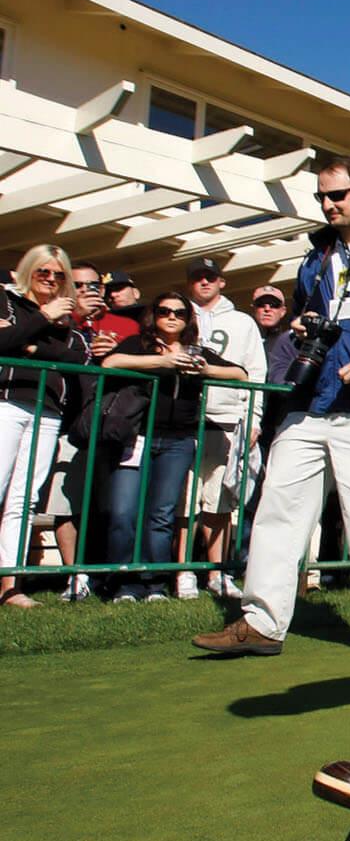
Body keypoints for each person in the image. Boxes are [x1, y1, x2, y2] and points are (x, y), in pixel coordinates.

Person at [192, 154, 350, 657]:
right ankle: (260, 621)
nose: (328, 204)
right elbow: (308, 314)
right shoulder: (314, 257)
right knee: (277, 511)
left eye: (337, 195)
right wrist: (303, 324)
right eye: (321, 197)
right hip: (311, 406)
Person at [102, 292, 246, 601]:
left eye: (179, 313)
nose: (171, 317)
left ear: (187, 319)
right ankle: (122, 583)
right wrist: (162, 361)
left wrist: (204, 369)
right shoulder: (138, 344)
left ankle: (154, 585)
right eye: (164, 311)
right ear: (153, 315)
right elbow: (110, 361)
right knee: (123, 511)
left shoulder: (198, 351)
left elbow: (239, 373)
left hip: (178, 441)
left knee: (162, 514)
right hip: (137, 435)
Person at [0, 245, 88, 607]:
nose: (51, 280)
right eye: (43, 272)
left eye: (58, 275)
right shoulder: (7, 302)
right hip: (6, 401)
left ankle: (10, 585)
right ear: (29, 271)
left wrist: (31, 345)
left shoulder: (68, 322)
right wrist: (41, 317)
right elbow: (3, 342)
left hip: (47, 411)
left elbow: (77, 356)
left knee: (24, 499)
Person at [176, 257, 267, 600]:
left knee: (219, 502)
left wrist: (254, 417)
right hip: (188, 416)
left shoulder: (243, 322)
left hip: (229, 418)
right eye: (197, 277)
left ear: (221, 281)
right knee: (185, 501)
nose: (204, 283)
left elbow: (256, 371)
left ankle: (217, 573)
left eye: (210, 277)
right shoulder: (180, 315)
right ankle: (184, 571)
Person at [45, 261, 137, 601]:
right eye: (80, 285)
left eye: (95, 285)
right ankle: (74, 576)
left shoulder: (123, 324)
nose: (88, 291)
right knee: (64, 503)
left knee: (107, 505)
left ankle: (103, 574)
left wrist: (112, 353)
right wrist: (79, 326)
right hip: (64, 422)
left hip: (109, 425)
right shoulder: (58, 319)